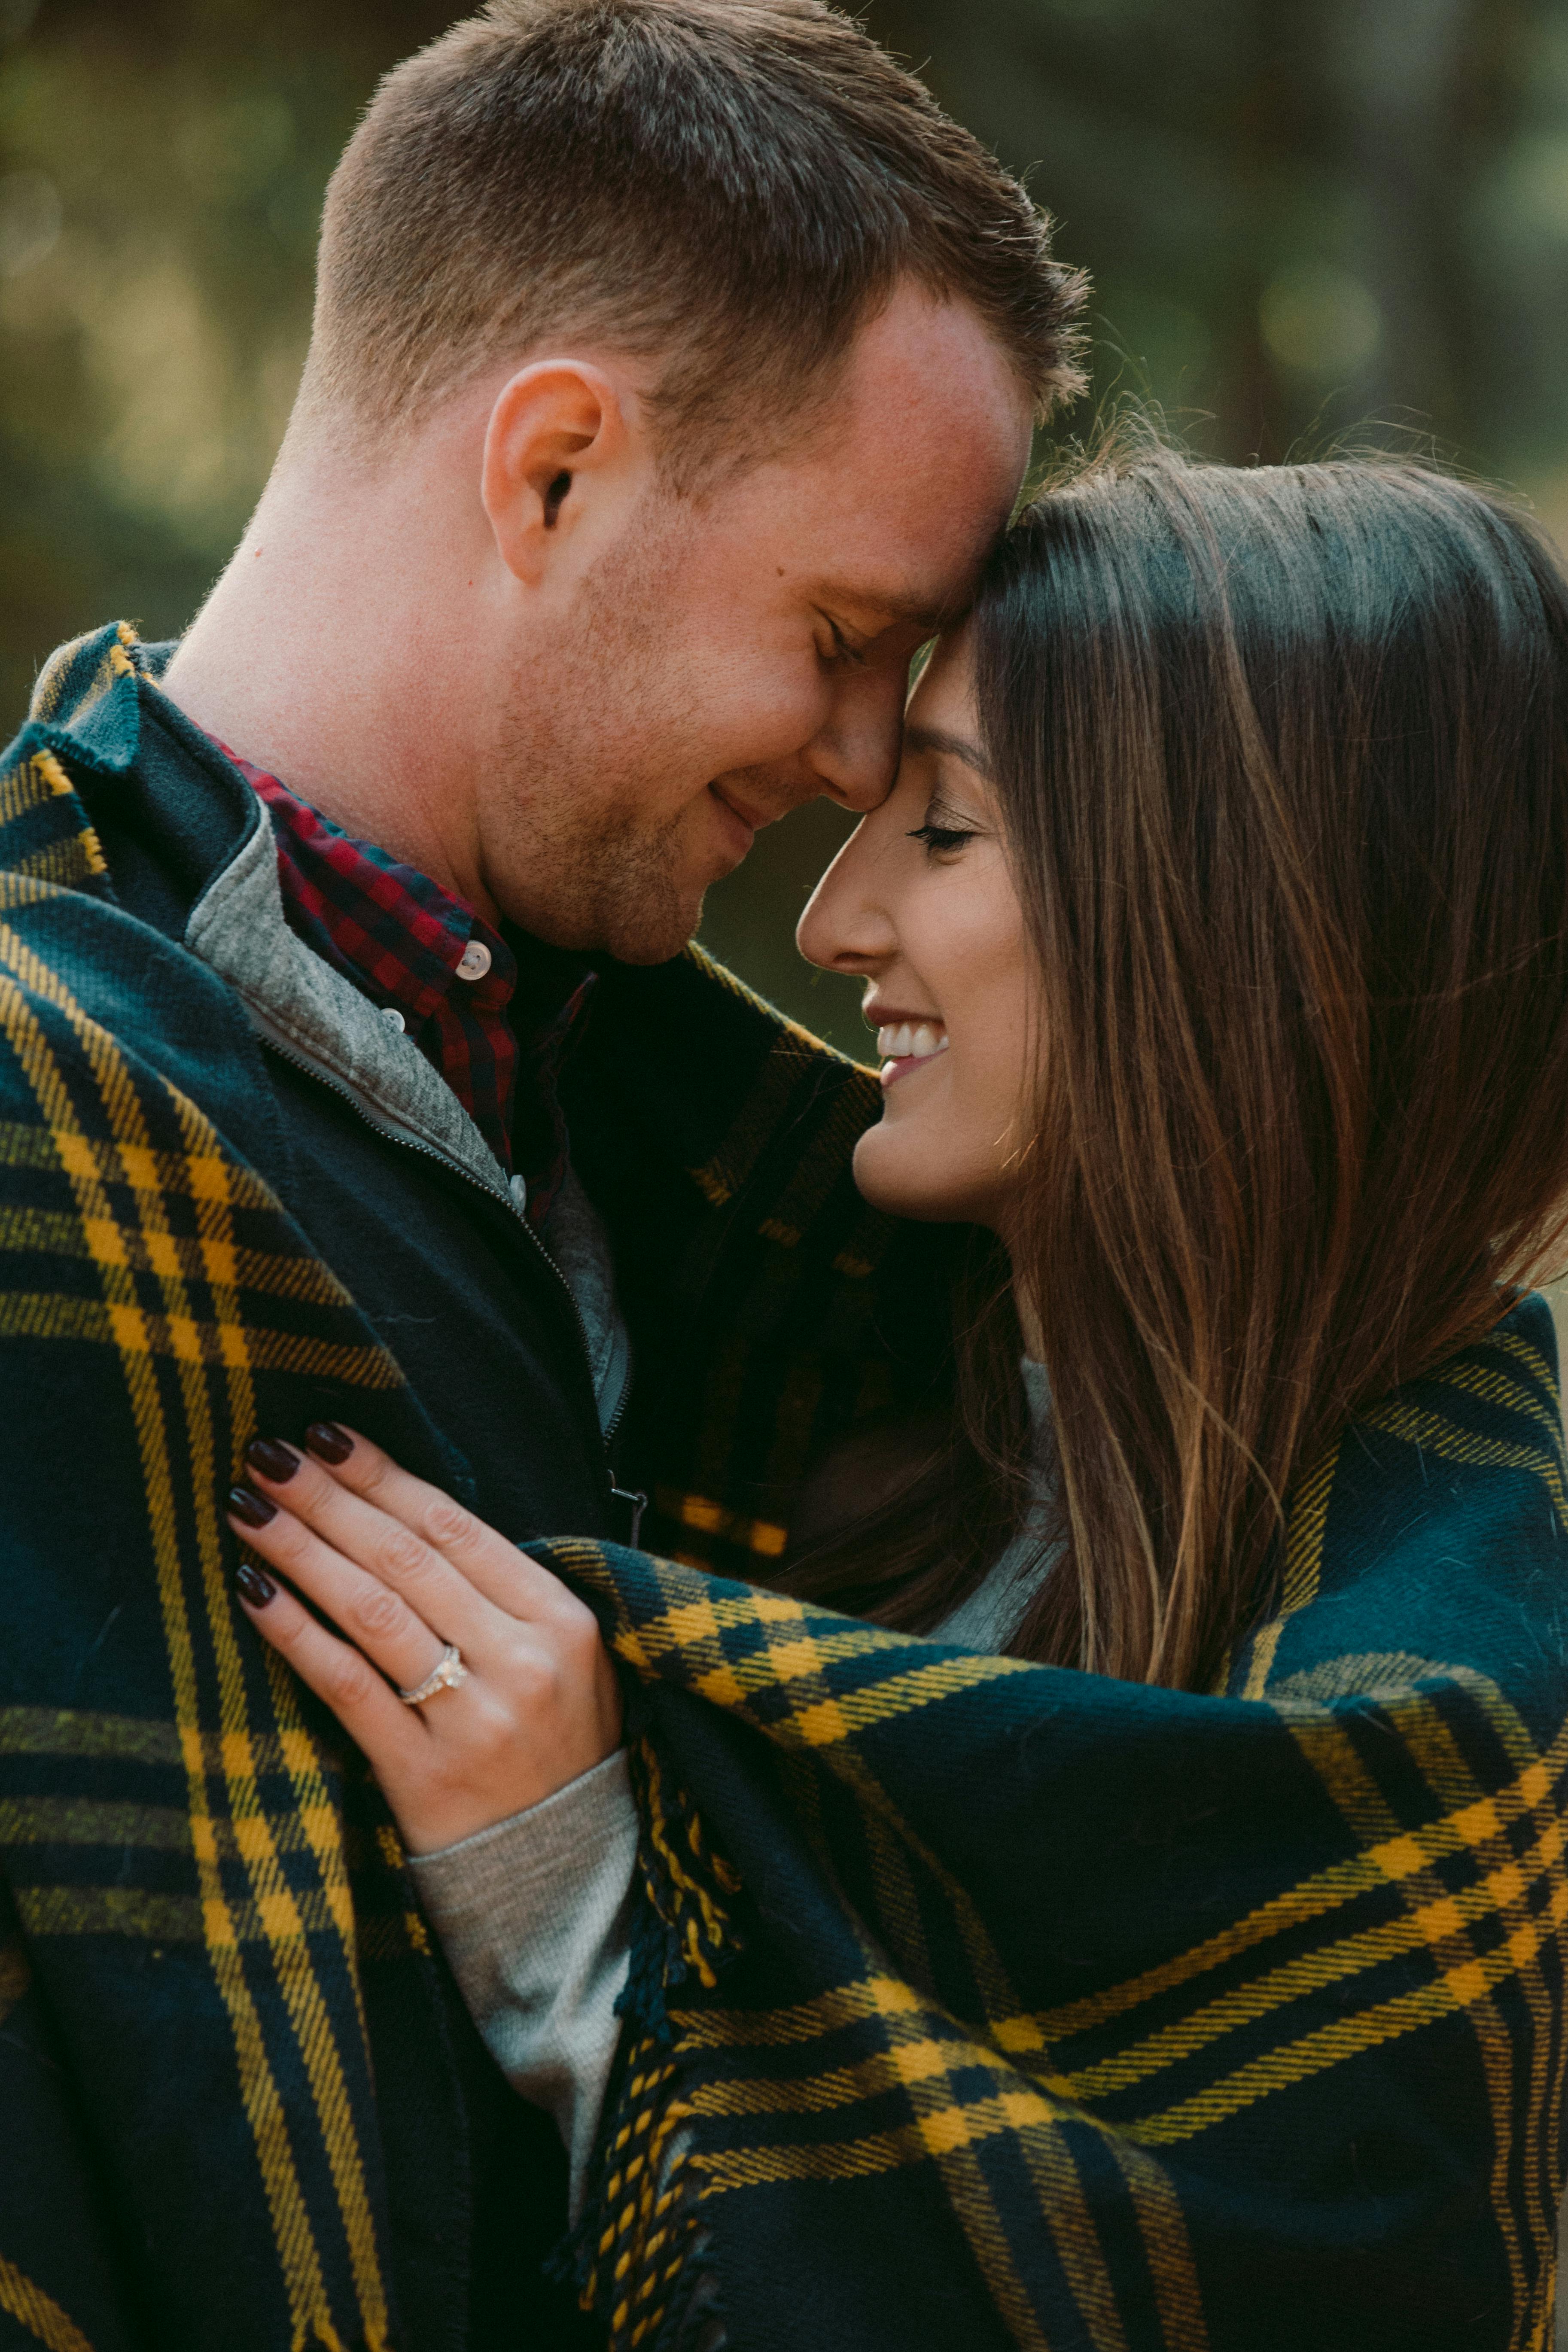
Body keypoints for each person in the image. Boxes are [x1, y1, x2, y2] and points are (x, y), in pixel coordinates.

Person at [226, 444, 1568, 2350]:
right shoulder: (808, 1403)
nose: (836, 919)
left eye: (944, 832)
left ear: (1235, 926)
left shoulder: (1446, 1714)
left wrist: (582, 1900)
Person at [0, 3, 1086, 2343]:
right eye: (841, 638)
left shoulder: (714, 1155)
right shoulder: (42, 1121)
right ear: (557, 470)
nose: (853, 764)